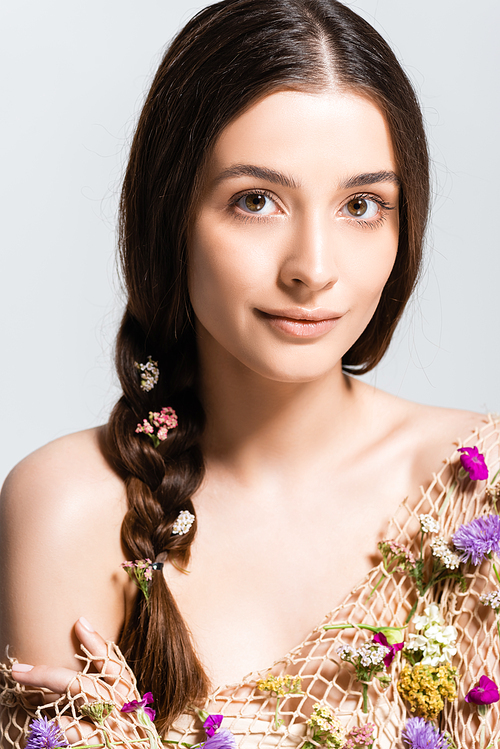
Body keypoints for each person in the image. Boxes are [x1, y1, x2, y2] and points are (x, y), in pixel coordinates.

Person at [1, 0, 498, 747]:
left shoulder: (478, 492)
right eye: (256, 201)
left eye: (361, 205)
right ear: (172, 213)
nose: (314, 269)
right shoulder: (71, 510)